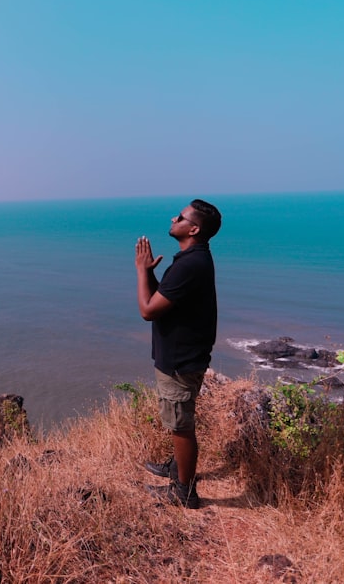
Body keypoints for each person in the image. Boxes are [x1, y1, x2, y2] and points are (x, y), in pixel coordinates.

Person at [135, 198, 221, 509]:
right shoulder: (193, 259)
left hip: (180, 361)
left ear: (194, 228)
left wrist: (142, 272)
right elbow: (165, 301)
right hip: (184, 355)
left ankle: (184, 491)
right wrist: (154, 279)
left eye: (181, 217)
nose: (174, 218)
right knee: (178, 419)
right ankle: (177, 468)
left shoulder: (189, 265)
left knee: (181, 425)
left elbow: (147, 310)